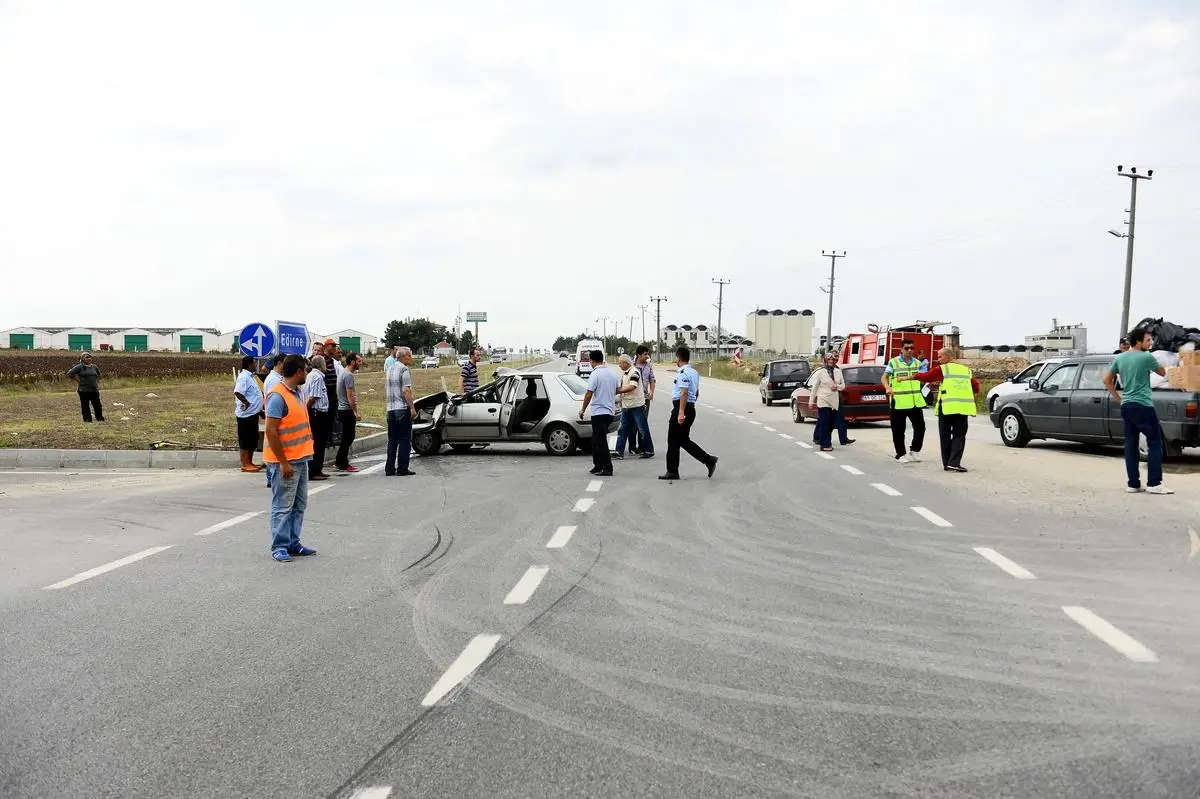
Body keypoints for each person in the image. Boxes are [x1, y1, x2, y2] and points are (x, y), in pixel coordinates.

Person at [263, 354, 318, 563]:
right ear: (298, 372)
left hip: (301, 458)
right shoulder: (277, 396)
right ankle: (279, 546)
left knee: (298, 504)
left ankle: (293, 542)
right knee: (283, 506)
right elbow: (271, 431)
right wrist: (283, 462)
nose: (307, 373)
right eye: (305, 369)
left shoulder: (296, 392)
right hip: (285, 461)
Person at [1105, 326, 1173, 494]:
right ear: (1138, 341)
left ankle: (1133, 484)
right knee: (1155, 443)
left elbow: (1107, 380)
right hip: (1143, 405)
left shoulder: (1120, 358)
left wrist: (1119, 398)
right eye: (1148, 340)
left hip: (1127, 406)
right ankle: (1154, 483)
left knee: (1130, 444)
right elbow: (1162, 372)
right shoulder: (1146, 357)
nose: (1150, 343)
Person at [912, 347, 980, 472]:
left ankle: (947, 463)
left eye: (940, 357)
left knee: (945, 436)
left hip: (946, 407)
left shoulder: (942, 369)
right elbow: (975, 386)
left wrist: (914, 376)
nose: (938, 360)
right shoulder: (966, 370)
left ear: (948, 356)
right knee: (959, 436)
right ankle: (953, 463)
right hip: (961, 408)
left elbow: (927, 376)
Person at [660, 346, 718, 481]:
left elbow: (684, 393)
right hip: (690, 407)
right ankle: (708, 460)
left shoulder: (683, 373)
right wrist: (690, 407)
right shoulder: (694, 373)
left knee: (673, 440)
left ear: (678, 358)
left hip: (682, 407)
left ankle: (672, 471)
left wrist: (681, 412)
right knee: (683, 440)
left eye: (675, 357)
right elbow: (696, 392)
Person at [881, 338, 926, 464]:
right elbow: (884, 377)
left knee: (920, 427)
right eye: (907, 348)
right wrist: (887, 387)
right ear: (901, 349)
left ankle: (915, 450)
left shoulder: (918, 363)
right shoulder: (894, 362)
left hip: (914, 401)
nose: (910, 350)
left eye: (912, 348)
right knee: (899, 430)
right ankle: (900, 454)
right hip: (898, 401)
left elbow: (923, 377)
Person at [578, 350, 618, 476]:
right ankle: (597, 465)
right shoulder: (612, 374)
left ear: (592, 361)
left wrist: (583, 409)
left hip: (599, 412)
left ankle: (607, 468)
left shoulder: (595, 375)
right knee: (595, 440)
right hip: (609, 412)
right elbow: (617, 390)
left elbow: (589, 393)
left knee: (600, 442)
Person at [808, 352, 854, 451]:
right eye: (829, 360)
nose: (831, 362)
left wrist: (837, 387)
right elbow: (814, 388)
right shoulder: (821, 372)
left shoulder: (838, 371)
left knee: (831, 423)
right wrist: (811, 402)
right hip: (823, 400)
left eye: (832, 360)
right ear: (825, 360)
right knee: (824, 422)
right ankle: (825, 444)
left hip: (834, 401)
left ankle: (824, 440)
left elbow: (843, 386)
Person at [613, 354, 652, 459]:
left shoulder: (634, 372)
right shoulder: (626, 373)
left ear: (626, 363)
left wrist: (618, 390)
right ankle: (619, 451)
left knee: (642, 428)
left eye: (620, 363)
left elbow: (632, 386)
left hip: (636, 405)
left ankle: (648, 450)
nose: (619, 365)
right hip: (627, 405)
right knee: (622, 429)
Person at [385, 346, 416, 476]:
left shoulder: (390, 369)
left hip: (390, 408)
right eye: (409, 356)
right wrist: (412, 407)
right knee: (404, 439)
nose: (411, 358)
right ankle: (402, 468)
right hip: (401, 408)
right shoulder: (404, 369)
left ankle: (389, 468)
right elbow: (406, 390)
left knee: (392, 440)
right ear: (403, 357)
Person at [233, 355, 265, 472]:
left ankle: (250, 462)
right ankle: (245, 464)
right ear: (249, 365)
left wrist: (259, 410)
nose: (255, 366)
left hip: (253, 414)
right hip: (245, 415)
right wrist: (246, 403)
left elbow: (254, 394)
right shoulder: (243, 377)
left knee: (252, 439)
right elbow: (238, 392)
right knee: (245, 440)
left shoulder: (251, 377)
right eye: (254, 363)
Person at [335, 352, 363, 472]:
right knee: (348, 437)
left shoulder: (343, 372)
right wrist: (355, 412)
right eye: (359, 361)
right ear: (353, 362)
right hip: (346, 410)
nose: (360, 364)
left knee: (346, 437)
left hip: (342, 409)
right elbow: (349, 395)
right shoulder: (348, 375)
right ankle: (343, 462)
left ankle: (339, 460)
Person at [304, 355, 331, 481]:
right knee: (319, 444)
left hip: (317, 413)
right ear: (321, 364)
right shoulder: (317, 377)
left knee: (318, 443)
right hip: (317, 414)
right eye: (324, 363)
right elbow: (313, 397)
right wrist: (305, 410)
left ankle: (317, 469)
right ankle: (315, 470)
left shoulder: (311, 375)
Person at [630, 346, 656, 454]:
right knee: (633, 423)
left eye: (647, 354)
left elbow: (652, 379)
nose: (647, 356)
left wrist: (651, 392)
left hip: (645, 398)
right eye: (645, 354)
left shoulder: (648, 365)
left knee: (643, 422)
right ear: (639, 355)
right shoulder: (631, 365)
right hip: (633, 398)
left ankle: (642, 446)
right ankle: (632, 446)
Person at [67, 352, 104, 423]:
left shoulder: (94, 366)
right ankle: (87, 419)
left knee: (97, 405)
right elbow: (70, 373)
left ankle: (99, 418)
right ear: (82, 359)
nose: (89, 358)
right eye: (86, 357)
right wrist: (78, 380)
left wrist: (96, 382)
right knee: (85, 405)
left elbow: (98, 374)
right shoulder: (79, 367)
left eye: (90, 357)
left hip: (94, 389)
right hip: (83, 390)